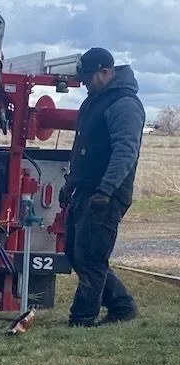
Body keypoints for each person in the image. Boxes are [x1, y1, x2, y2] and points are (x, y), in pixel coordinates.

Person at [60, 47, 146, 327]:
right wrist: (70, 182)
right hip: (86, 188)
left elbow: (125, 152)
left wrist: (106, 190)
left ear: (106, 72)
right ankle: (122, 306)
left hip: (107, 193)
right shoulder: (94, 101)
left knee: (92, 257)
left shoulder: (125, 105)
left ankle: (82, 319)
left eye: (88, 77)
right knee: (74, 252)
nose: (84, 83)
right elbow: (81, 146)